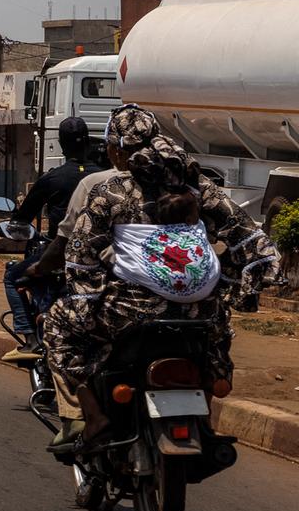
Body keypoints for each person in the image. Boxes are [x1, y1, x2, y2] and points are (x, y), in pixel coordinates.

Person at [40, 106, 279, 455]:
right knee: (217, 339)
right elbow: (248, 236)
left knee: (58, 323)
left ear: (118, 149)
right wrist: (233, 283)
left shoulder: (111, 191)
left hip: (131, 311)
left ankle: (93, 417)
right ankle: (206, 419)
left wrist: (87, 297)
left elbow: (81, 253)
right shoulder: (199, 186)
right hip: (200, 311)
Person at [0, 117, 101, 360]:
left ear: (62, 146)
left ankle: (29, 337)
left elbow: (23, 217)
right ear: (88, 142)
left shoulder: (53, 178)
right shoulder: (104, 177)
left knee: (12, 276)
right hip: (100, 255)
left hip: (60, 253)